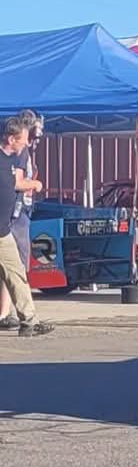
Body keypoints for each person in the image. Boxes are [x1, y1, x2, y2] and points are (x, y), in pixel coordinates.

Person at [0, 116, 53, 336]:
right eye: (22, 140)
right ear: (11, 139)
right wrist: (35, 184)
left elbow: (16, 183)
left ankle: (29, 321)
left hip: (3, 231)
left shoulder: (14, 159)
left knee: (17, 274)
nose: (25, 144)